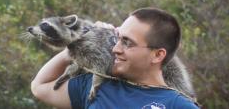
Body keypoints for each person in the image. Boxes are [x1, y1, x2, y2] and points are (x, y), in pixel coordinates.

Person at [31, 8, 199, 108]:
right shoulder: (96, 86)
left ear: (158, 55)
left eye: (127, 42)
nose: (115, 48)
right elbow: (40, 87)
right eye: (117, 38)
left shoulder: (177, 104)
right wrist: (76, 44)